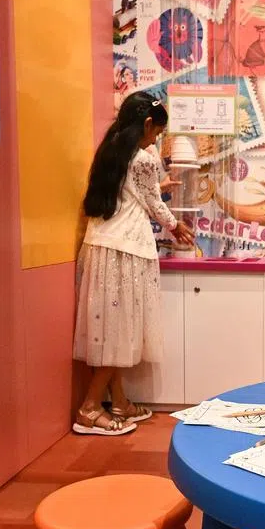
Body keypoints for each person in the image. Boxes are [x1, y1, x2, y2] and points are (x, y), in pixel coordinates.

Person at [73, 91, 192, 434]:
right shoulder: (144, 157)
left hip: (101, 245)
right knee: (122, 333)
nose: (156, 140)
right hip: (127, 250)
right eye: (156, 133)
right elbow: (154, 203)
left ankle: (120, 401)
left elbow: (135, 192)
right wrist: (176, 224)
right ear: (148, 124)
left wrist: (157, 187)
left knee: (114, 332)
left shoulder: (111, 149)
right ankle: (90, 408)